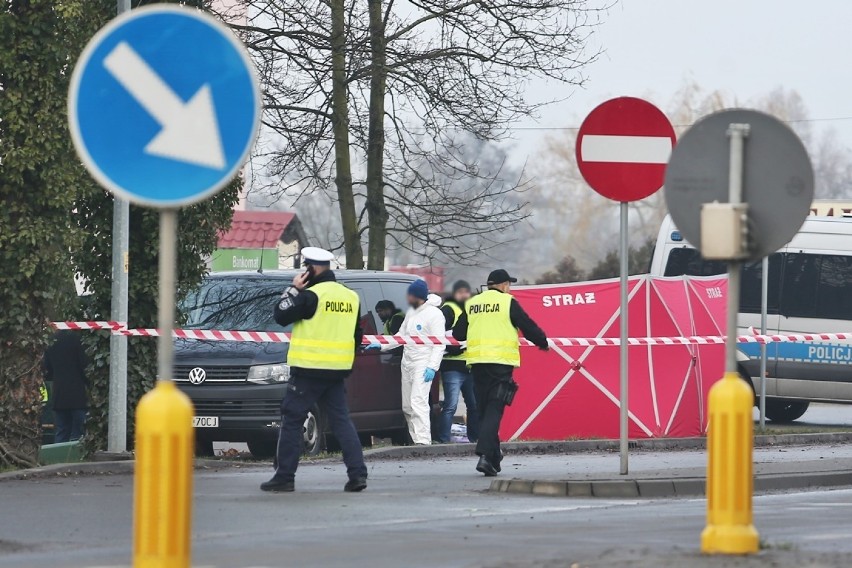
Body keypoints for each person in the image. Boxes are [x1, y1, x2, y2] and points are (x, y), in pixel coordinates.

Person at [262, 247, 368, 493]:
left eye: (306, 268)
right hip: (337, 370)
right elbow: (356, 335)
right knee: (342, 422)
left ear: (311, 269)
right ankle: (358, 475)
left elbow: (280, 315)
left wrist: (293, 289)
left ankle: (285, 476)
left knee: (292, 419)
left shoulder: (311, 296)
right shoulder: (350, 297)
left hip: (309, 369)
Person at [453, 269, 549, 476]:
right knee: (494, 410)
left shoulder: (472, 303)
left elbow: (457, 333)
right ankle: (485, 454)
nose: (510, 288)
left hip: (477, 364)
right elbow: (527, 325)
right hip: (500, 364)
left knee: (485, 410)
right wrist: (542, 342)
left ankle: (493, 458)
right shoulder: (507, 302)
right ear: (503, 285)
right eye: (509, 284)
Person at [367, 280, 444, 445]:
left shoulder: (435, 314)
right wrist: (381, 344)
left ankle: (424, 442)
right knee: (408, 406)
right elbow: (400, 337)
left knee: (418, 402)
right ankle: (415, 439)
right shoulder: (412, 312)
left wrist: (432, 367)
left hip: (422, 363)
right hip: (407, 362)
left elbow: (440, 343)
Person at [439, 280, 479, 444]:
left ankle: (474, 439)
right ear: (454, 293)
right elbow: (440, 335)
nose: (464, 295)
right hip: (452, 365)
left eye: (466, 292)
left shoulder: (471, 309)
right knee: (450, 406)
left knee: (474, 406)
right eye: (460, 292)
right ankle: (443, 440)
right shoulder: (449, 309)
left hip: (468, 364)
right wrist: (456, 348)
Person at [44, 330, 89, 443]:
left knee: (61, 432)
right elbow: (85, 366)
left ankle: (58, 459)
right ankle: (76, 459)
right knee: (78, 433)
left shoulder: (51, 340)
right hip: (78, 395)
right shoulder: (79, 338)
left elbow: (47, 369)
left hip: (59, 395)